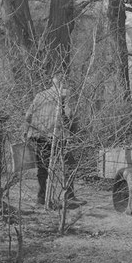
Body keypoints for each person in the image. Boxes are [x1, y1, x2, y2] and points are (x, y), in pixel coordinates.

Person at [23, 74, 85, 208]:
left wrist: (27, 131)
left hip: (37, 135)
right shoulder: (63, 97)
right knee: (68, 164)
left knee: (43, 168)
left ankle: (41, 198)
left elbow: (28, 115)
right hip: (55, 136)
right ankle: (69, 196)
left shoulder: (40, 95)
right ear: (63, 83)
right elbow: (70, 115)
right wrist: (74, 131)